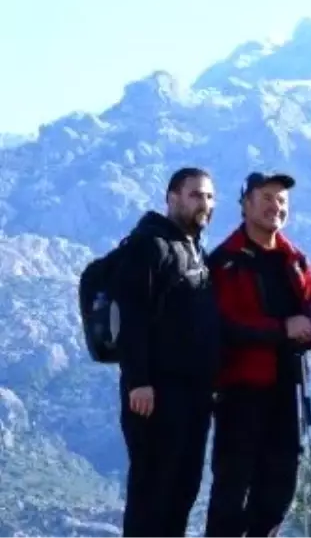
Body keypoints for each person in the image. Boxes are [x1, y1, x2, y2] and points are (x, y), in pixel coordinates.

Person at [205, 172, 311, 538]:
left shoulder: (295, 259)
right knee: (232, 488)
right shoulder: (225, 262)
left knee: (280, 483)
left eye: (282, 200)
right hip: (241, 389)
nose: (276, 206)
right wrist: (282, 329)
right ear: (246, 204)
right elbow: (223, 324)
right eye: (267, 197)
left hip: (288, 390)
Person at [114, 167, 221, 538]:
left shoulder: (194, 247)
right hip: (157, 395)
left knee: (182, 493)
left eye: (209, 196)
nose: (204, 203)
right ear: (172, 197)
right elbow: (132, 317)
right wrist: (139, 382)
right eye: (195, 195)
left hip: (194, 396)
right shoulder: (151, 245)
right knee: (152, 496)